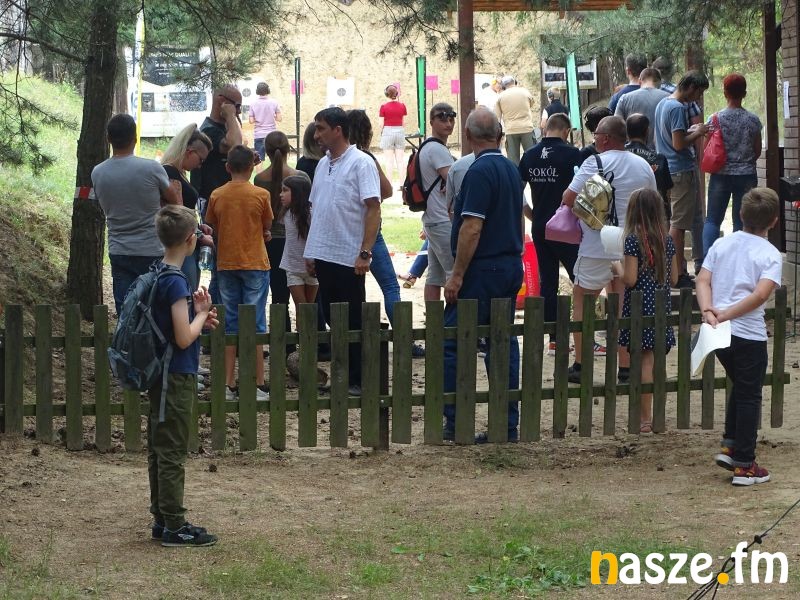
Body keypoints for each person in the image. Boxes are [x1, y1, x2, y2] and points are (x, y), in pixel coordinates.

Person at [443, 108, 523, 443]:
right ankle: (506, 423)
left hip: (483, 268)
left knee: (454, 340)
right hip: (510, 263)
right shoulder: (510, 168)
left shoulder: (478, 171)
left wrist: (457, 275)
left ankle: (456, 421)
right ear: (500, 135)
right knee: (502, 341)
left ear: (468, 135)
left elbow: (472, 227)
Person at [562, 116, 657, 385]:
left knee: (583, 299)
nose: (594, 139)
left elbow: (568, 197)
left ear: (604, 138)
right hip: (631, 244)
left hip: (597, 243)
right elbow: (653, 201)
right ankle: (625, 367)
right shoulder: (642, 165)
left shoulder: (594, 162)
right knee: (622, 304)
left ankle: (581, 364)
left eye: (596, 135)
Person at [697, 188, 782, 486]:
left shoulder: (722, 244)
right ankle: (745, 465)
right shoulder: (770, 254)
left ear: (741, 214)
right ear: (774, 221)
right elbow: (760, 296)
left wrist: (709, 310)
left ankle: (731, 445)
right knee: (749, 395)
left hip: (720, 334)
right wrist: (727, 314)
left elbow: (702, 279)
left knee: (741, 386)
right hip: (748, 335)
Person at [148, 204, 219, 547]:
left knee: (160, 447)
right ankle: (175, 525)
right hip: (175, 374)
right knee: (172, 450)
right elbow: (182, 338)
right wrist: (201, 315)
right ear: (191, 240)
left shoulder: (158, 271)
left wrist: (198, 317)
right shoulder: (176, 282)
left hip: (161, 373)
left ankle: (162, 518)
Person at [303, 107, 381, 396]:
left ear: (338, 130)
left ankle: (359, 379)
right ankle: (342, 377)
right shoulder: (322, 164)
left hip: (349, 256)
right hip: (324, 254)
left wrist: (365, 252)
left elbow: (373, 208)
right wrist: (312, 250)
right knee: (333, 320)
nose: (316, 134)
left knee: (353, 320)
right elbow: (317, 209)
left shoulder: (361, 162)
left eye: (321, 128)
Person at [92, 114, 180, 314]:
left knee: (126, 310)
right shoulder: (151, 168)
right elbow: (174, 200)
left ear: (108, 138)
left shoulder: (97, 172)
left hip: (119, 249)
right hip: (151, 248)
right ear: (135, 138)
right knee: (154, 309)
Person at [204, 145, 273, 402]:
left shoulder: (217, 195)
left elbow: (212, 224)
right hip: (255, 262)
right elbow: (266, 224)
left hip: (226, 263)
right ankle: (258, 383)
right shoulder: (261, 194)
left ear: (227, 167)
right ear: (252, 167)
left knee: (230, 321)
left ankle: (227, 383)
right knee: (255, 322)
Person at [519, 113, 582, 355]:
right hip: (567, 227)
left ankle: (553, 337)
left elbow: (518, 191)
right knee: (580, 278)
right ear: (566, 131)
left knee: (548, 281)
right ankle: (581, 331)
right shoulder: (573, 154)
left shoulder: (530, 155)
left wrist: (531, 215)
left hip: (541, 226)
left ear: (546, 129)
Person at [618, 189, 678, 433]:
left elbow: (630, 279)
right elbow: (674, 278)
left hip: (640, 308)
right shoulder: (667, 240)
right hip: (661, 308)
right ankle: (655, 415)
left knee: (643, 362)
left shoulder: (633, 240)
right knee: (656, 363)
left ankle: (644, 418)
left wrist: (617, 269)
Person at [654, 71, 709, 288]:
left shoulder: (663, 103)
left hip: (666, 170)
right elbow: (678, 143)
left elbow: (670, 137)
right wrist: (699, 131)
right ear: (691, 87)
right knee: (678, 226)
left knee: (672, 222)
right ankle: (676, 275)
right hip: (681, 170)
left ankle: (671, 272)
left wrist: (691, 130)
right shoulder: (677, 107)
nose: (698, 98)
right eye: (699, 92)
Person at [190, 84, 244, 303]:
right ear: (222, 101)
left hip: (223, 201)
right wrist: (230, 115)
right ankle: (218, 307)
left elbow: (236, 150)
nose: (238, 111)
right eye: (236, 106)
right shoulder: (210, 130)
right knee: (221, 260)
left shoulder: (221, 127)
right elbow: (235, 144)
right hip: (213, 203)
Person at [701, 73, 762, 260]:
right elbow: (757, 150)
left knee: (712, 220)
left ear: (725, 93)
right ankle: (738, 261)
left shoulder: (714, 119)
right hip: (746, 176)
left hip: (721, 175)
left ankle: (708, 261)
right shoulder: (753, 120)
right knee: (742, 221)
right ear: (744, 93)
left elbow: (706, 148)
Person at [254, 131, 298, 346]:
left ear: (267, 151)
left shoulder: (260, 179)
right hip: (294, 240)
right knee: (302, 293)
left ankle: (283, 343)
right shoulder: (299, 177)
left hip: (271, 240)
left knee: (278, 296)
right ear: (288, 149)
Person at [160, 124, 214, 291]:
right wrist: (200, 235)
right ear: (189, 152)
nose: (200, 166)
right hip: (180, 244)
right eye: (201, 160)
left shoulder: (178, 174)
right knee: (185, 292)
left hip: (186, 242)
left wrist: (198, 227)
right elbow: (177, 213)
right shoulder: (170, 174)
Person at [419, 103, 456, 302]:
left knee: (434, 277)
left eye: (451, 118)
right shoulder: (437, 149)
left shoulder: (428, 146)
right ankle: (453, 318)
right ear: (431, 122)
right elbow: (455, 181)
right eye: (442, 118)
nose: (448, 123)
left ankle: (434, 317)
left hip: (433, 218)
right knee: (455, 274)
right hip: (442, 219)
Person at [625, 113, 673, 221]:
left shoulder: (617, 156)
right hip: (654, 214)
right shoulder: (659, 159)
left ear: (627, 132)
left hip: (626, 213)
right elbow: (667, 192)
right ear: (647, 131)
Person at [279, 174, 317, 307]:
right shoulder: (286, 214)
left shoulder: (312, 214)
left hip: (312, 268)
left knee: (310, 308)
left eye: (285, 190)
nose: (281, 194)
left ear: (297, 193)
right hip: (292, 267)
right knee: (301, 307)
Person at [614, 68, 669, 149]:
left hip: (631, 152)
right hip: (660, 152)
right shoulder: (668, 99)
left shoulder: (624, 98)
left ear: (640, 81)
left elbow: (617, 126)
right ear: (660, 83)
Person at [494, 75, 536, 165]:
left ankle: (516, 174)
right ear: (514, 82)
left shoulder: (500, 97)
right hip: (527, 128)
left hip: (511, 130)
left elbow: (497, 118)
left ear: (503, 86)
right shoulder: (525, 92)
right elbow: (531, 104)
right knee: (532, 158)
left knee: (513, 161)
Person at [378, 84, 407, 184]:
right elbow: (403, 123)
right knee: (400, 160)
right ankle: (402, 184)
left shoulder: (383, 107)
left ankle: (389, 184)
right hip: (400, 131)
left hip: (388, 132)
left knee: (389, 160)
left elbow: (381, 124)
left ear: (386, 94)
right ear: (397, 94)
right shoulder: (402, 106)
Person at [248, 82, 282, 161]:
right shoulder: (274, 102)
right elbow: (279, 118)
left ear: (257, 91)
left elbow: (251, 121)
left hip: (259, 134)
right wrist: (272, 116)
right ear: (268, 90)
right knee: (274, 159)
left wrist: (258, 117)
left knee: (259, 160)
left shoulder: (253, 103)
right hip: (272, 134)